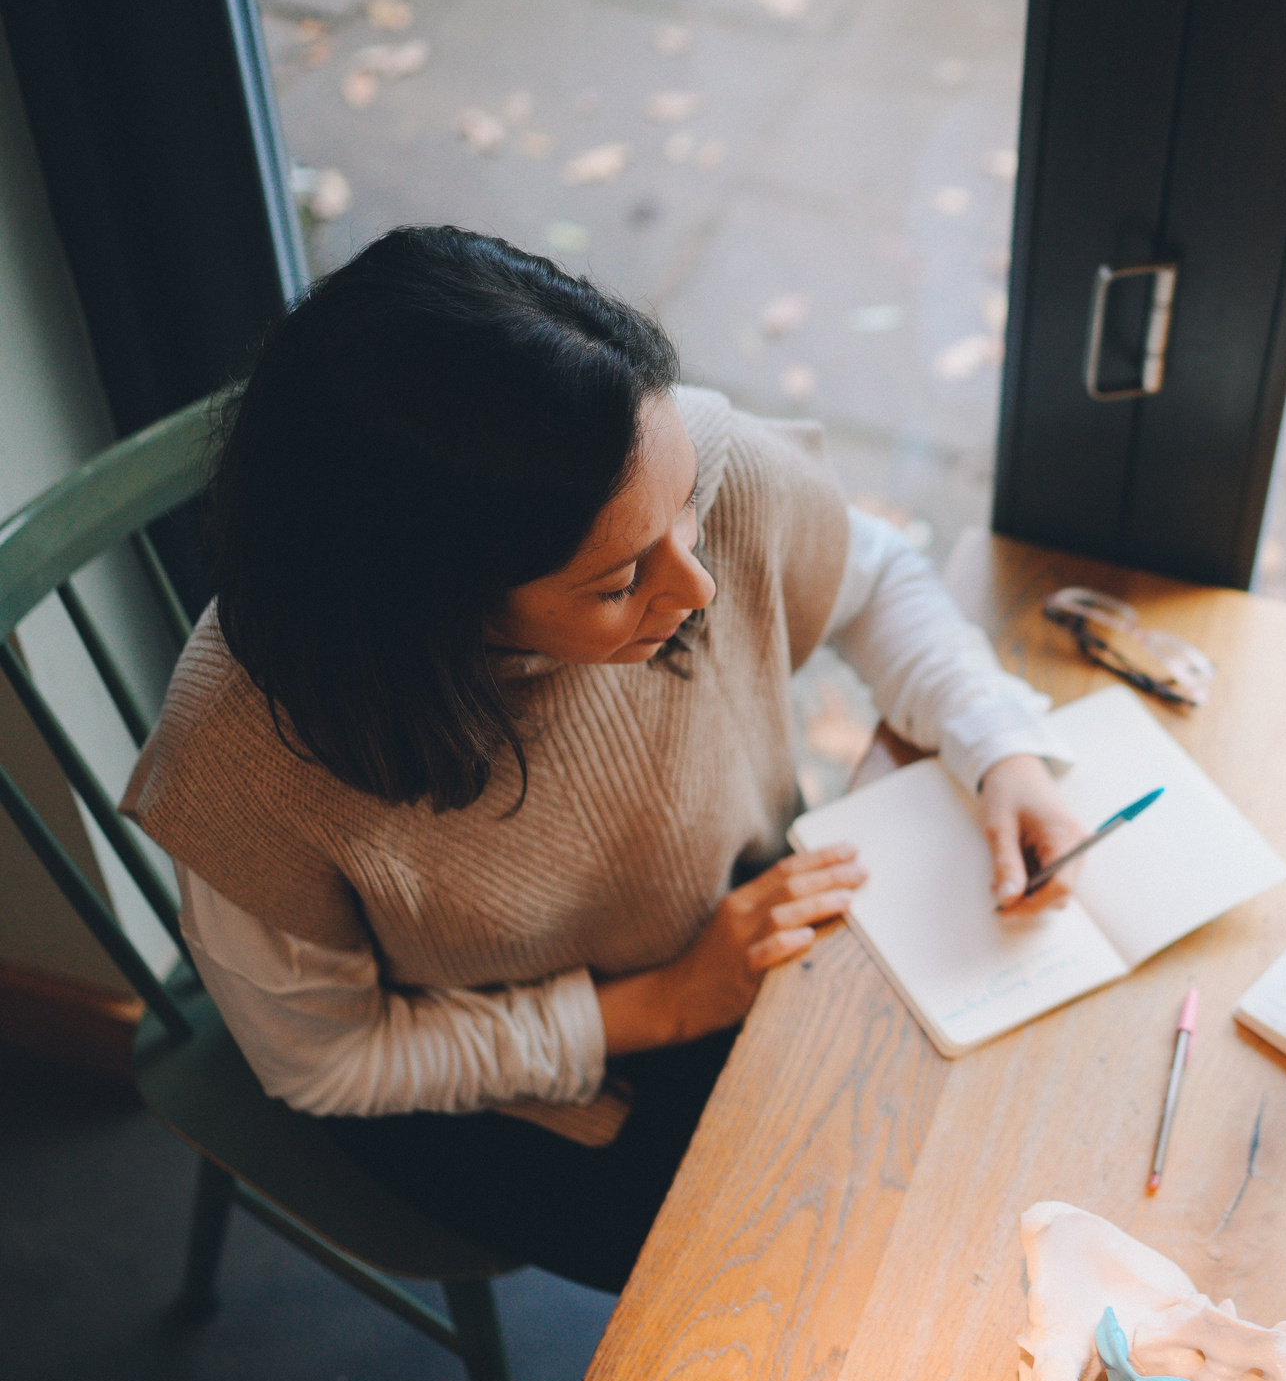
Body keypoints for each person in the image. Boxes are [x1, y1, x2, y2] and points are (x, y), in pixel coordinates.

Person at [123, 226, 1090, 1293]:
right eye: (623, 580)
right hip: (499, 1075)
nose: (701, 588)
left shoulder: (665, 462)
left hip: (729, 916)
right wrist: (661, 1003)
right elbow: (325, 1059)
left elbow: (872, 580)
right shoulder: (247, 757)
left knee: (969, 1145)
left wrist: (1001, 751)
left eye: (687, 513)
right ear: (434, 610)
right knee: (790, 1269)